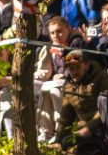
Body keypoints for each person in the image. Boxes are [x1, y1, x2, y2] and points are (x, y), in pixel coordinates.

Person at [51, 49, 108, 155]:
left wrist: (89, 128)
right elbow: (65, 118)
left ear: (86, 65)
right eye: (71, 68)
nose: (74, 72)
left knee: (105, 98)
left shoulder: (102, 77)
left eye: (77, 67)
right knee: (66, 143)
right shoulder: (68, 86)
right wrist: (58, 141)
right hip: (86, 133)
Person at [33, 15, 80, 143]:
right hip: (55, 83)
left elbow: (77, 68)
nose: (56, 36)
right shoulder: (50, 48)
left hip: (73, 83)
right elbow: (46, 72)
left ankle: (61, 132)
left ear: (68, 29)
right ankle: (46, 133)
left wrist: (64, 74)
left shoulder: (75, 43)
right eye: (52, 33)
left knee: (52, 89)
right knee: (46, 89)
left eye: (59, 31)